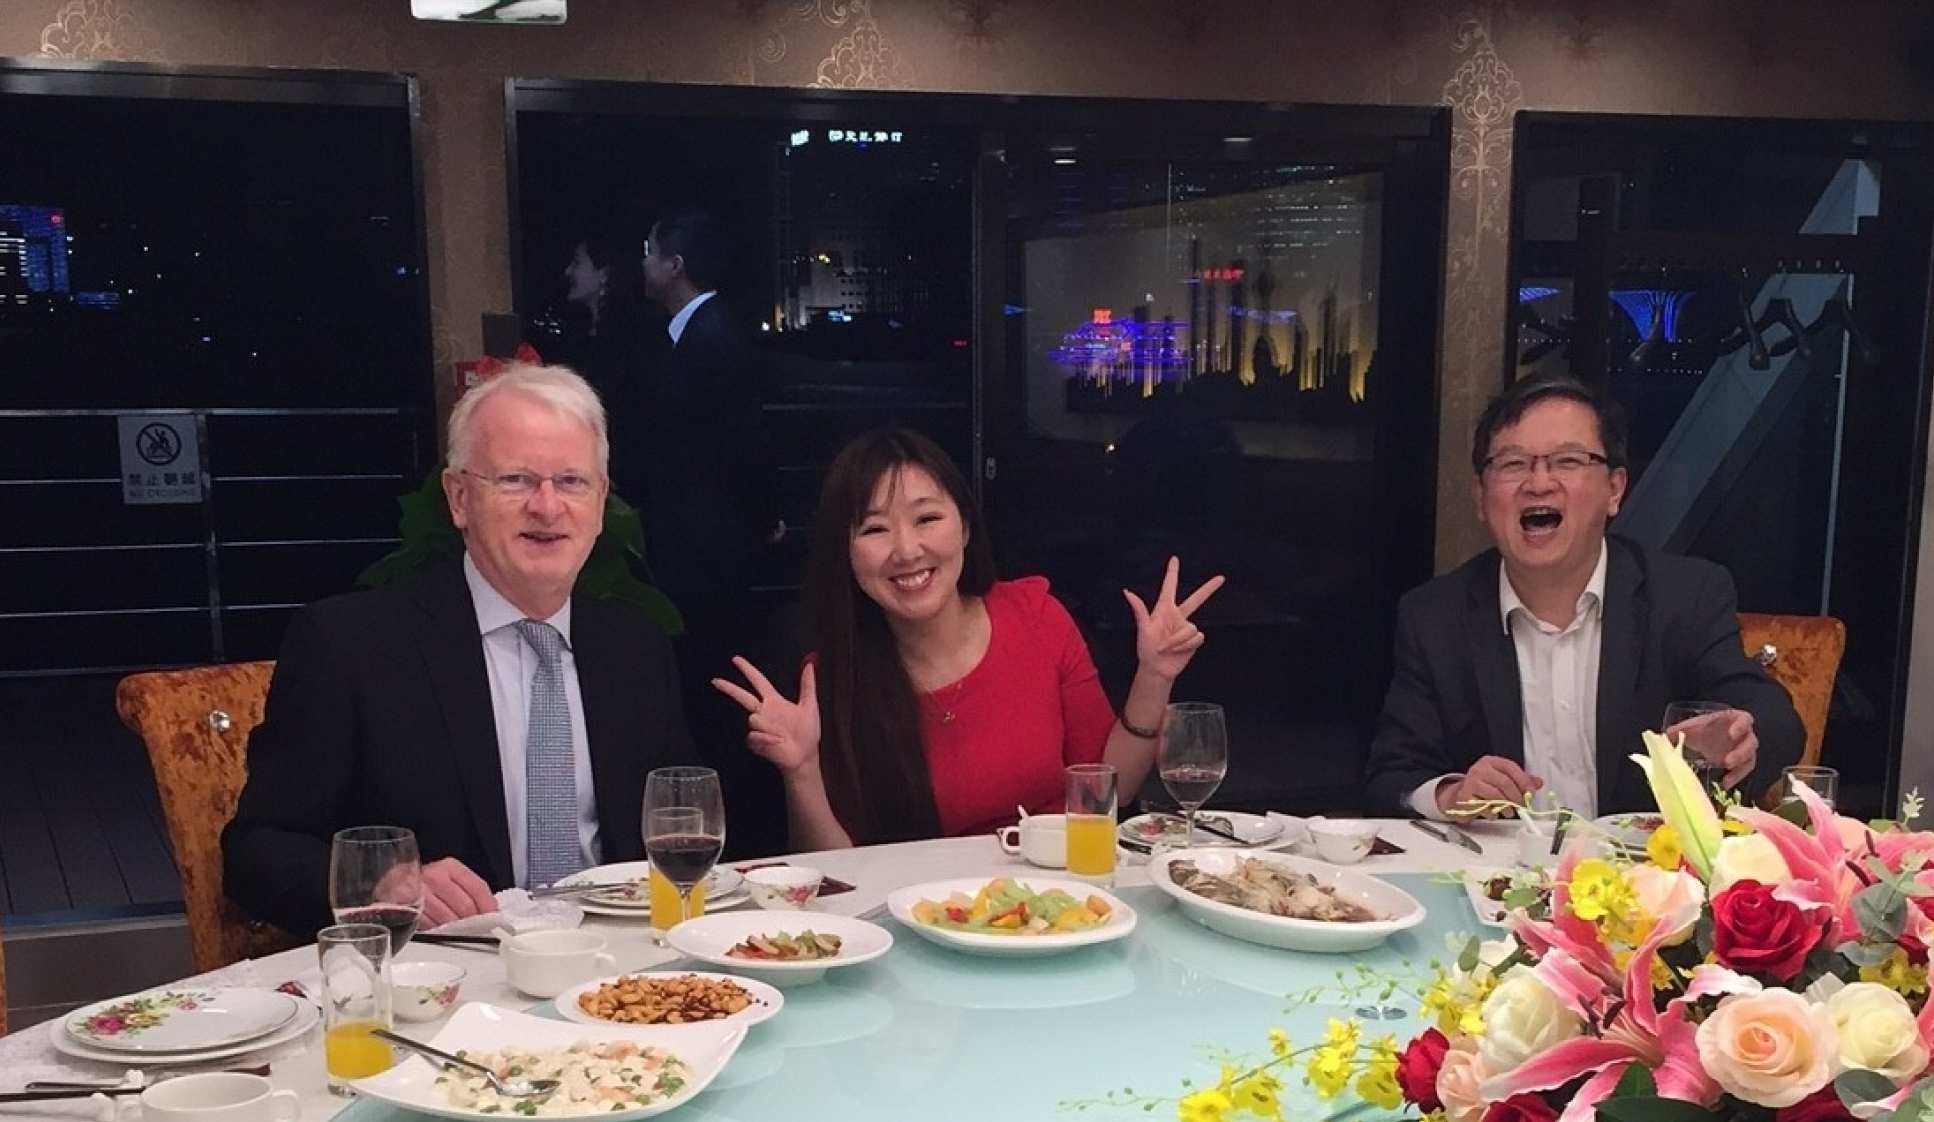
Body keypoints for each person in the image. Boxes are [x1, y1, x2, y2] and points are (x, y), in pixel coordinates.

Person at [222, 364, 695, 936]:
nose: (547, 507)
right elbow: (257, 852)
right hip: (445, 970)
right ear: (459, 498)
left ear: (600, 502)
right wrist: (381, 885)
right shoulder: (351, 646)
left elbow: (682, 833)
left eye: (572, 481)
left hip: (619, 967)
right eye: (516, 480)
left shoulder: (636, 647)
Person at [712, 427, 1225, 849]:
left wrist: (1155, 675)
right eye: (874, 529)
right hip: (926, 917)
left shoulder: (1036, 618)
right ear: (845, 554)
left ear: (964, 527)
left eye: (927, 518)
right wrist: (802, 771)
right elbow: (840, 878)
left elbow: (1109, 793)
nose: (907, 550)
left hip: (1057, 900)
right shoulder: (832, 676)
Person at [1363, 377, 1802, 819]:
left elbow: (1774, 719)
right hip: (1499, 861)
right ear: (1480, 496)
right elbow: (1392, 777)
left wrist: (1739, 738)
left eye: (1568, 461)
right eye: (1513, 464)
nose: (1539, 483)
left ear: (1614, 489)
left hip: (1642, 859)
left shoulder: (1685, 596)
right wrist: (1452, 794)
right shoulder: (1435, 616)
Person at [640, 208, 785, 855]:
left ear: (674, 265)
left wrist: (762, 518)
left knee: (715, 684)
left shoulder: (714, 336)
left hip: (712, 553)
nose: (643, 264)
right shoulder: (689, 334)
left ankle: (723, 824)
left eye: (650, 252)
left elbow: (745, 444)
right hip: (697, 546)